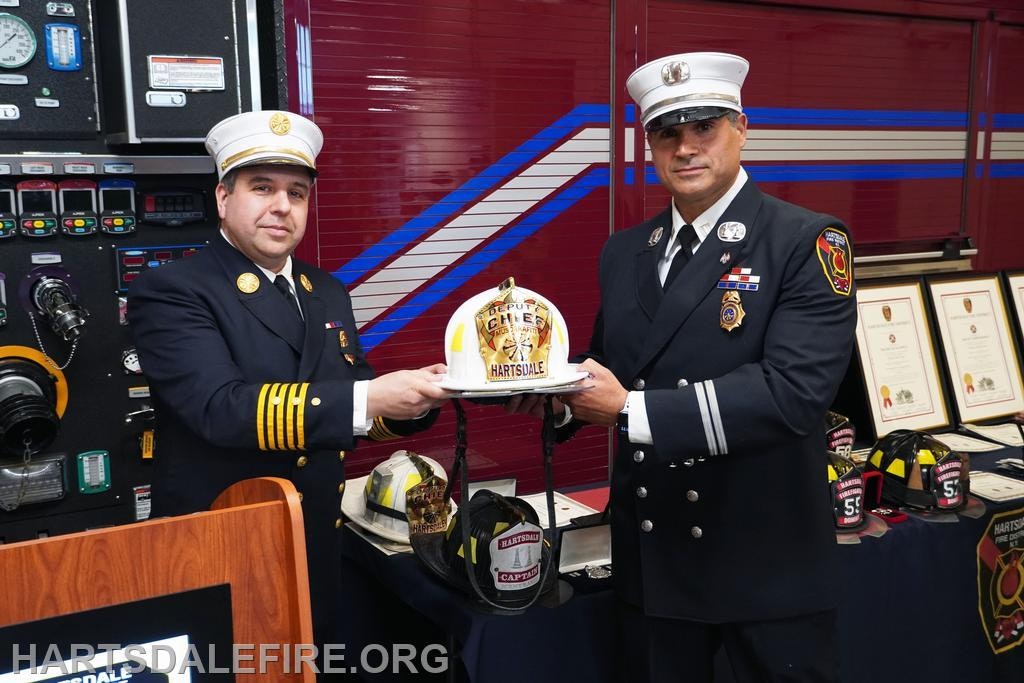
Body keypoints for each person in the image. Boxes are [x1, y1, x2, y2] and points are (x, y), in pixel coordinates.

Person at [508, 52, 857, 681]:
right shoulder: (623, 253)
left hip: (765, 564)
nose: (686, 147)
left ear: (741, 128)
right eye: (668, 132)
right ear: (650, 145)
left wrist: (626, 410)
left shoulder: (805, 241)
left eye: (705, 127)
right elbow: (613, 369)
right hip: (655, 557)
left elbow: (793, 394)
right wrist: (554, 393)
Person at [128, 110, 450, 657]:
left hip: (314, 548)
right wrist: (370, 397)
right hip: (223, 549)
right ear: (223, 198)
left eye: (296, 193)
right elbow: (222, 409)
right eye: (262, 188)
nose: (282, 206)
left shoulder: (325, 291)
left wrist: (411, 404)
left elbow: (350, 399)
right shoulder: (175, 291)